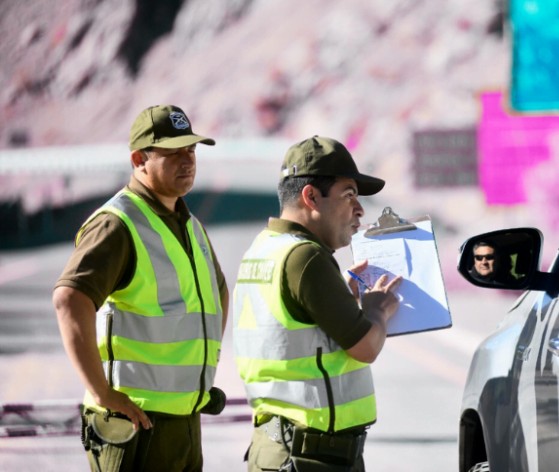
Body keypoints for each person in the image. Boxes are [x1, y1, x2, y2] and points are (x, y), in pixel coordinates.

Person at [52, 105, 229, 472]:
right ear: (139, 159)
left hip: (184, 420)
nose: (188, 160)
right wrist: (102, 392)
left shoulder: (189, 224)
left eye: (192, 150)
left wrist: (200, 367)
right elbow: (70, 299)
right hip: (137, 424)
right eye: (173, 151)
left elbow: (219, 292)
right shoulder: (118, 224)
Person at [233, 136, 402, 472]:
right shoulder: (306, 257)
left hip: (278, 445)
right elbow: (366, 347)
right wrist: (377, 309)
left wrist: (342, 295)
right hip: (309, 456)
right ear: (310, 196)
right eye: (348, 194)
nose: (359, 209)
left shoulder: (265, 247)